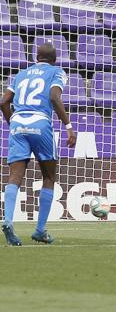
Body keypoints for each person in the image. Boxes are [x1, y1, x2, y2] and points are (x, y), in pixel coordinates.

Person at [0, 43, 76, 246]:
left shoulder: (21, 74)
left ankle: (7, 220)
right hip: (40, 122)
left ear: (36, 57)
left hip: (18, 123)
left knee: (15, 176)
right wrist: (68, 126)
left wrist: (13, 123)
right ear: (55, 59)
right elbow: (53, 96)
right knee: (49, 176)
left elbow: (3, 102)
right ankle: (40, 230)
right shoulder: (57, 71)